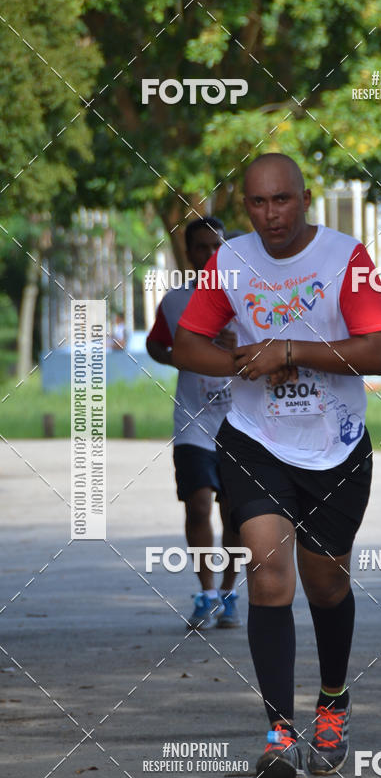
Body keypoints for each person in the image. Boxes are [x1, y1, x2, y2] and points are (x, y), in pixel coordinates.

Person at [172, 153, 381, 778]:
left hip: (335, 447)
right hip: (254, 438)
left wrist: (291, 350)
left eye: (282, 201)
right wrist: (247, 361)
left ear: (305, 198)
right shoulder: (227, 262)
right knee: (269, 574)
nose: (270, 216)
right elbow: (188, 344)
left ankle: (332, 702)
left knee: (326, 585)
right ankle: (278, 731)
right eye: (257, 204)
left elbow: (376, 352)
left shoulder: (346, 258)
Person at [146, 217, 241, 630]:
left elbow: (277, 347)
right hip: (194, 422)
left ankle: (228, 593)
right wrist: (177, 356)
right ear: (188, 253)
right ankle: (205, 594)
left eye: (216, 247)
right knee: (198, 504)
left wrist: (241, 349)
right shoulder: (175, 300)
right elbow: (155, 344)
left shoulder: (249, 298)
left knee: (236, 514)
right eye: (200, 247)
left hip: (241, 421)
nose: (208, 255)